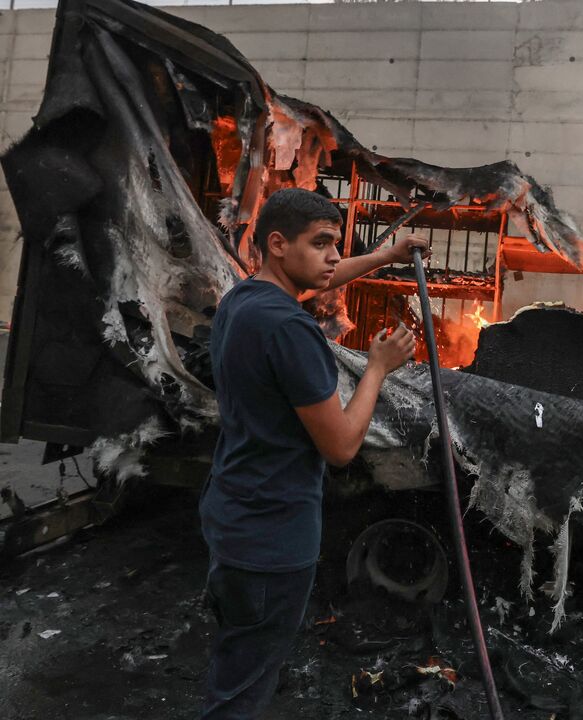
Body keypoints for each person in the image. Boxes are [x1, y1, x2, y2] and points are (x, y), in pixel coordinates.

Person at [198, 187, 428, 718]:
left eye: (337, 246)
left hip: (232, 513)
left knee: (237, 660)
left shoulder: (245, 301)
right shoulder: (291, 332)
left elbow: (317, 282)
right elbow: (343, 445)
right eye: (322, 244)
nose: (333, 258)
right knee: (242, 690)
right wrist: (377, 368)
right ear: (278, 244)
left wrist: (384, 258)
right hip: (271, 537)